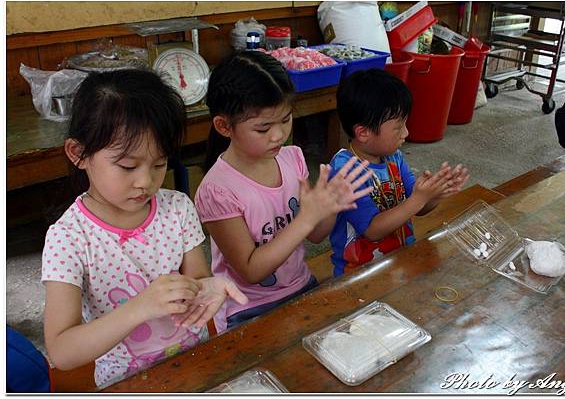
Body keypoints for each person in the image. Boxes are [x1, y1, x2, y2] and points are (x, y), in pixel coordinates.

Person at [42, 69, 247, 387]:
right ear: (78, 154)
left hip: (193, 363)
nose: (145, 182)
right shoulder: (68, 238)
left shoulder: (177, 207)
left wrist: (208, 288)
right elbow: (61, 351)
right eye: (127, 166)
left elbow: (197, 279)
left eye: (159, 164)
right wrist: (141, 307)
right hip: (127, 382)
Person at [195, 51, 373, 333]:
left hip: (301, 285)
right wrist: (306, 218)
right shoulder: (217, 190)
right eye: (263, 128)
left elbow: (315, 235)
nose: (278, 135)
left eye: (286, 119)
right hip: (247, 307)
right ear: (224, 126)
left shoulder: (292, 158)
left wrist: (328, 207)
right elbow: (251, 270)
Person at [329, 69, 470, 277]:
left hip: (399, 261)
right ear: (364, 132)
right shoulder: (346, 170)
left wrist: (436, 193)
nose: (406, 133)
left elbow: (417, 206)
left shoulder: (393, 157)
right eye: (398, 127)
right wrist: (419, 198)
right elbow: (372, 230)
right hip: (360, 273)